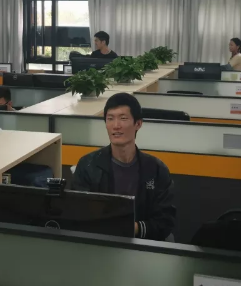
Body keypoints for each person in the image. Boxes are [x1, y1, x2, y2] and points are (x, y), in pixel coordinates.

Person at [72, 93, 176, 240]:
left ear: (138, 124)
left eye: (123, 118)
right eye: (110, 119)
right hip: (99, 242)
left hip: (143, 244)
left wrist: (131, 228)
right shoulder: (88, 165)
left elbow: (165, 221)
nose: (116, 126)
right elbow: (78, 214)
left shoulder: (156, 170)